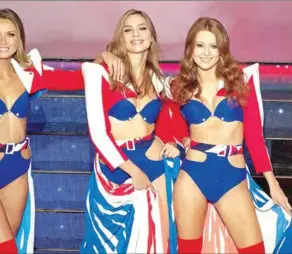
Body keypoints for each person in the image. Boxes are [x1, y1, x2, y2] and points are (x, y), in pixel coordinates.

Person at [0, 8, 119, 254]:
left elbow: (79, 78)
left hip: (18, 168)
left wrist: (105, 55)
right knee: (5, 248)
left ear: (19, 39)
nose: (4, 41)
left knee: (0, 245)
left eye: (10, 34)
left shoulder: (30, 74)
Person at [167, 17, 292, 253]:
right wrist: (179, 143)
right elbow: (167, 125)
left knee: (254, 250)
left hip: (231, 178)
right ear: (190, 49)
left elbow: (254, 137)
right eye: (200, 45)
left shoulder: (242, 82)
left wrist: (272, 183)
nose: (206, 53)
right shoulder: (178, 86)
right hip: (191, 178)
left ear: (222, 50)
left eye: (213, 46)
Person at [80, 9, 181, 253]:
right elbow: (98, 135)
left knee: (166, 240)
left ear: (152, 37)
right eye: (128, 29)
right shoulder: (99, 73)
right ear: (121, 37)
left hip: (155, 161)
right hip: (115, 169)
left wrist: (176, 143)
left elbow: (175, 122)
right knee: (112, 247)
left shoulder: (159, 80)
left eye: (142, 28)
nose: (136, 34)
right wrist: (133, 171)